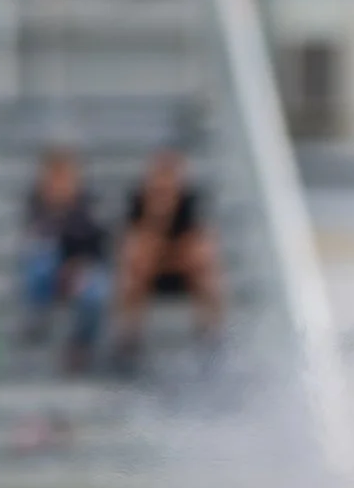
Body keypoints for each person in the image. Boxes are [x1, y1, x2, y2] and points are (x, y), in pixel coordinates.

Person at [110, 148, 224, 371]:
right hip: (149, 272)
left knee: (208, 276)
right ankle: (128, 342)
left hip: (182, 271)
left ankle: (211, 339)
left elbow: (201, 249)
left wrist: (165, 252)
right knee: (132, 277)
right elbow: (133, 252)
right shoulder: (138, 203)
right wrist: (157, 220)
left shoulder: (190, 204)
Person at [19, 147, 110, 375]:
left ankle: (81, 344)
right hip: (51, 270)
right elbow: (36, 243)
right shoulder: (37, 207)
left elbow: (97, 246)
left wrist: (75, 265)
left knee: (95, 291)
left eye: (66, 177)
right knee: (40, 261)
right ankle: (39, 314)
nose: (60, 185)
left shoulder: (90, 207)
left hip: (81, 267)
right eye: (55, 177)